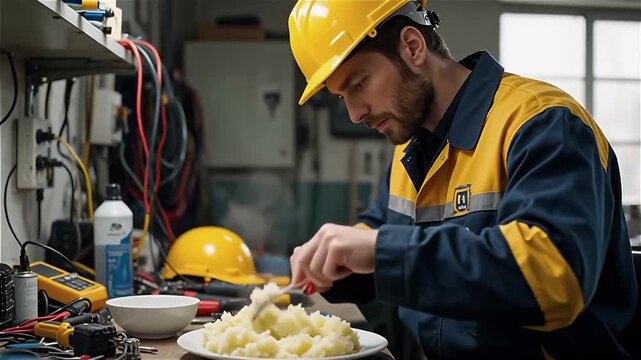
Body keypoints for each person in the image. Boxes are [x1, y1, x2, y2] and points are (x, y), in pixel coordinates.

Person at [286, 1, 637, 359]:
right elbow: (382, 228)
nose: (355, 113)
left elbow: (552, 279)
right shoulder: (410, 147)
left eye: (360, 83)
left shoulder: (543, 124)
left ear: (412, 46)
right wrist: (336, 263)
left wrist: (381, 251)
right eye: (343, 97)